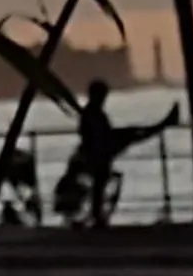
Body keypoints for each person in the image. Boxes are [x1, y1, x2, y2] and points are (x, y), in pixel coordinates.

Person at [62, 81, 181, 228]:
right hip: (98, 151)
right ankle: (163, 125)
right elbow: (93, 135)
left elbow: (88, 133)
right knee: (132, 134)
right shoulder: (93, 113)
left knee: (132, 133)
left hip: (98, 150)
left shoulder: (92, 112)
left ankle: (162, 125)